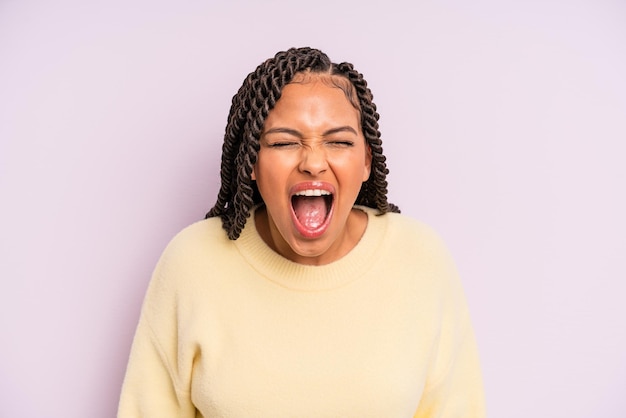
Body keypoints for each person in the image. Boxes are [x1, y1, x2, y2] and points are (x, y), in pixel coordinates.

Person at [117, 47, 485, 417]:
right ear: (251, 163)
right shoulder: (192, 262)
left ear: (367, 162)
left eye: (339, 141)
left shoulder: (421, 259)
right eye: (283, 142)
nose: (312, 163)